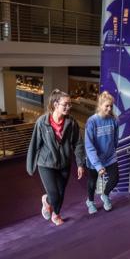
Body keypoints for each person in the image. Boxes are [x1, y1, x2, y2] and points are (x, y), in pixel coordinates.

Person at [26, 89, 85, 226]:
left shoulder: (71, 123)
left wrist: (80, 163)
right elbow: (35, 144)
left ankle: (56, 213)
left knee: (61, 192)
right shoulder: (42, 122)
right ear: (55, 104)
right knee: (54, 194)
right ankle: (47, 200)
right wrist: (30, 165)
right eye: (65, 104)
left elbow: (78, 143)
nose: (68, 107)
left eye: (70, 104)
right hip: (46, 163)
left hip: (64, 162)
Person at [85, 91, 119, 214]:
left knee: (115, 178)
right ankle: (90, 201)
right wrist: (98, 165)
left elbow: (115, 139)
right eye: (107, 106)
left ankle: (105, 194)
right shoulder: (92, 121)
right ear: (100, 106)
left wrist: (111, 150)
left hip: (109, 156)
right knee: (92, 182)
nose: (109, 109)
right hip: (94, 159)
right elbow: (89, 146)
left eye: (111, 106)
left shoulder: (114, 120)